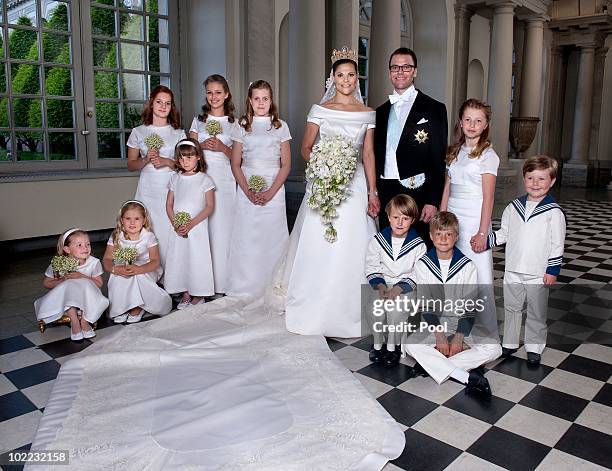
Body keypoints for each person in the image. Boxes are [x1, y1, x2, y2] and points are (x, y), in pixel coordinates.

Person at [282, 46, 380, 338]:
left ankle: (351, 306)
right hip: (324, 182)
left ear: (356, 79)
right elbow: (305, 147)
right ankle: (316, 302)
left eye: (350, 75)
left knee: (353, 240)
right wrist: (326, 169)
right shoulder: (320, 110)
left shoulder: (368, 113)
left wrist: (373, 192)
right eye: (340, 75)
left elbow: (369, 154)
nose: (346, 80)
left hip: (356, 183)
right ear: (332, 78)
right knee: (320, 241)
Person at [402, 211, 501, 398]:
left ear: (456, 237)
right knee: (409, 345)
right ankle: (465, 376)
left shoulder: (467, 266)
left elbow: (470, 306)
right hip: (434, 326)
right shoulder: (423, 265)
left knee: (495, 348)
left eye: (448, 234)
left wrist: (458, 337)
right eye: (438, 234)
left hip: (462, 326)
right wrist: (439, 336)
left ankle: (430, 365)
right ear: (431, 236)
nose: (443, 239)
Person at [478, 155, 565, 366]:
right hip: (513, 269)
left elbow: (557, 244)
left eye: (541, 179)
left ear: (551, 181)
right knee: (512, 308)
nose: (535, 184)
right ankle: (509, 342)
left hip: (538, 272)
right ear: (524, 179)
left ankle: (534, 347)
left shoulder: (553, 212)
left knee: (536, 311)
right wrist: (485, 240)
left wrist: (552, 270)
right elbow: (504, 233)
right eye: (531, 178)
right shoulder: (513, 207)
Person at [374, 47, 447, 243]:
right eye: (395, 67)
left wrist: (433, 200)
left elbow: (438, 159)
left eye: (406, 67)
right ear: (389, 72)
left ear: (415, 71)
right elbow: (374, 155)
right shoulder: (380, 112)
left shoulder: (434, 109)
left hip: (418, 190)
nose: (400, 72)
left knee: (418, 246)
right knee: (388, 245)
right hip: (386, 188)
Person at [225, 80, 291, 298]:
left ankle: (273, 283)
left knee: (271, 237)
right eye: (256, 99)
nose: (261, 103)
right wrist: (248, 191)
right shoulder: (242, 125)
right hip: (247, 187)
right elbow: (235, 163)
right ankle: (245, 285)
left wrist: (270, 192)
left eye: (265, 98)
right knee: (247, 237)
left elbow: (286, 165)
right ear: (250, 101)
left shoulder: (280, 126)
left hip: (274, 186)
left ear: (271, 101)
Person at [189, 75, 238, 296]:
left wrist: (222, 148)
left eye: (218, 92)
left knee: (222, 228)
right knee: (202, 229)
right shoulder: (198, 121)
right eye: (209, 92)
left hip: (225, 179)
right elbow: (187, 152)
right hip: (201, 177)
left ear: (226, 94)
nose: (214, 97)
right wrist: (200, 145)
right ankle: (201, 281)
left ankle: (224, 281)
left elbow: (239, 158)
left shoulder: (234, 124)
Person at [127, 85, 186, 266]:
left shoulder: (178, 133)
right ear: (151, 104)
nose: (163, 106)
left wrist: (167, 162)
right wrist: (146, 160)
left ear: (171, 107)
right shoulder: (139, 131)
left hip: (169, 187)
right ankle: (149, 274)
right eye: (159, 102)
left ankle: (172, 274)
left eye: (167, 103)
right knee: (149, 227)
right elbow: (131, 165)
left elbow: (187, 166)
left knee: (168, 228)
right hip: (147, 188)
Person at [440, 99, 498, 284]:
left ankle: (476, 311)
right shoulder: (455, 151)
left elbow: (488, 198)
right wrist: (441, 218)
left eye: (478, 121)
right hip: (453, 214)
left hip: (475, 218)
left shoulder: (488, 155)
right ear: (461, 122)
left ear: (485, 125)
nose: (472, 125)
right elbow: (447, 187)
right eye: (468, 119)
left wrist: (482, 233)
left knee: (475, 268)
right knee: (451, 267)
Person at [365, 194, 426, 366]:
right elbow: (371, 266)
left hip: (406, 289)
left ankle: (393, 346)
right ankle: (378, 344)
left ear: (413, 219)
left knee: (395, 311)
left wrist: (399, 289)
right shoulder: (378, 240)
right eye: (396, 217)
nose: (400, 222)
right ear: (388, 217)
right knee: (372, 308)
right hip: (383, 285)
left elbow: (418, 272)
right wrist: (380, 286)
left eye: (405, 218)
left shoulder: (418, 244)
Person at [164, 139, 216, 307]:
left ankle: (198, 293)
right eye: (181, 158)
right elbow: (169, 204)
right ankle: (185, 292)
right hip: (179, 229)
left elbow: (209, 207)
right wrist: (175, 224)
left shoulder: (205, 179)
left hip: (197, 227)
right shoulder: (175, 178)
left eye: (189, 157)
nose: (184, 161)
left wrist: (192, 223)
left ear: (198, 157)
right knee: (181, 258)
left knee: (196, 258)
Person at [103, 200, 172, 323]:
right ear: (121, 220)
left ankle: (137, 307)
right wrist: (115, 269)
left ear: (144, 220)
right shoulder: (116, 236)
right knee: (119, 276)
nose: (132, 222)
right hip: (123, 266)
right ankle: (122, 307)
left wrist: (139, 269)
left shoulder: (148, 236)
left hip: (148, 268)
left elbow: (155, 261)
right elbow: (107, 259)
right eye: (128, 218)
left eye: (137, 219)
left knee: (135, 275)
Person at [34, 228, 108, 341]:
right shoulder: (59, 263)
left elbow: (98, 284)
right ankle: (74, 321)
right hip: (65, 299)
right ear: (67, 249)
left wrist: (83, 276)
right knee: (69, 284)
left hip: (89, 297)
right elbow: (47, 283)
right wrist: (63, 279)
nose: (85, 248)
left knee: (83, 282)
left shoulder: (94, 262)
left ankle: (84, 321)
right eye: (79, 245)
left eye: (88, 244)